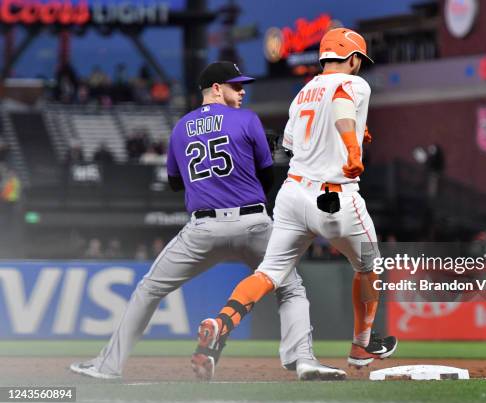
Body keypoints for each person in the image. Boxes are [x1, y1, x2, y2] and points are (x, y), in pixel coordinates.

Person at [69, 61, 344, 382]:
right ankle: (304, 361)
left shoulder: (180, 127)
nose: (242, 91)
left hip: (204, 228)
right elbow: (267, 178)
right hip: (253, 223)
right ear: (216, 88)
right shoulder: (247, 119)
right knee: (291, 289)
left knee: (147, 291)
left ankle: (107, 366)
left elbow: (175, 183)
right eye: (235, 85)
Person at [193, 28, 397, 375]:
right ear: (352, 58)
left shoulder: (302, 93)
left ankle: (220, 325)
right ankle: (361, 346)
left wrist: (349, 132)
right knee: (370, 267)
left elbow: (291, 143)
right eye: (359, 59)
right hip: (334, 197)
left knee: (269, 273)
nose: (360, 65)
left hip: (291, 195)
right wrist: (350, 145)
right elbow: (341, 104)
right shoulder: (354, 83)